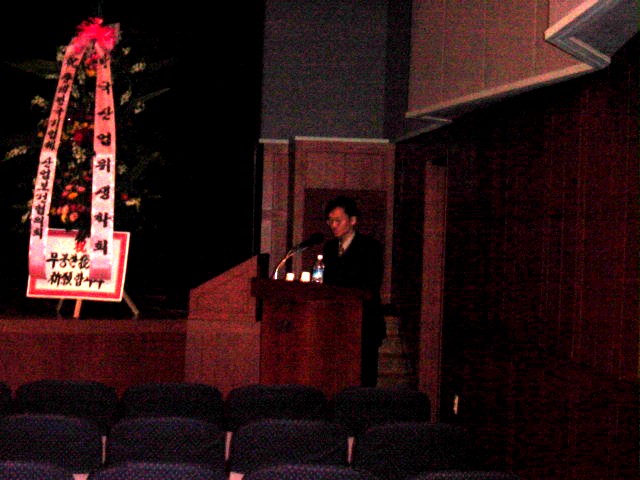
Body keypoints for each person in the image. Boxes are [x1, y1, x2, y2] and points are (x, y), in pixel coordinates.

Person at [321, 195, 386, 387]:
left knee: (364, 377)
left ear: (353, 220)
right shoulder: (329, 248)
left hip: (364, 321)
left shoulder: (370, 247)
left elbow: (371, 283)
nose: (333, 225)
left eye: (338, 220)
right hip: (337, 321)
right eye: (330, 221)